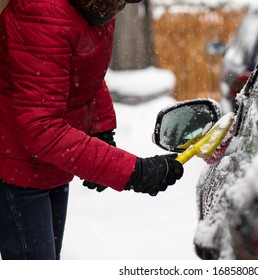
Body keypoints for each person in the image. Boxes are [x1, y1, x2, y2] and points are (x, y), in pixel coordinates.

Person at [0, 0, 184, 260]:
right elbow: (40, 128)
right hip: (16, 170)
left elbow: (84, 77)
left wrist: (101, 130)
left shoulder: (99, 6)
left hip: (50, 165)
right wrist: (133, 171)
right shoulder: (41, 12)